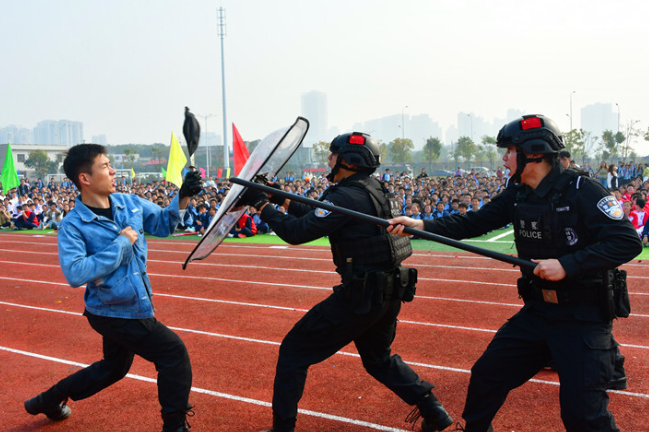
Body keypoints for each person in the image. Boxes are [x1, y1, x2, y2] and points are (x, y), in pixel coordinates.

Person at [389, 114, 642, 431]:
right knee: (487, 376)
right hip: (537, 314)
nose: (504, 158)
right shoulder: (519, 192)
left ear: (533, 152)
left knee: (584, 417)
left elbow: (626, 242)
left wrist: (567, 265)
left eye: (509, 150)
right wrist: (422, 226)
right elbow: (473, 223)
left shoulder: (583, 190)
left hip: (582, 318)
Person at [240, 132, 452, 432]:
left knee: (293, 351)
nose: (329, 159)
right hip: (389, 290)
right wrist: (278, 198)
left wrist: (262, 205)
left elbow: (298, 232)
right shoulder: (372, 189)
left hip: (361, 294)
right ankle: (433, 409)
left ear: (348, 161)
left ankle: (282, 429)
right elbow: (319, 217)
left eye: (333, 155)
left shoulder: (345, 194)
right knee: (378, 359)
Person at [24, 144, 203, 432]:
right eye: (106, 165)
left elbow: (164, 223)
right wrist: (121, 243)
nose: (113, 170)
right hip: (112, 311)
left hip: (132, 303)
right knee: (173, 354)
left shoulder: (129, 203)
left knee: (113, 368)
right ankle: (175, 427)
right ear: (85, 178)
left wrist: (183, 195)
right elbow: (75, 272)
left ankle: (47, 399)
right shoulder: (73, 226)